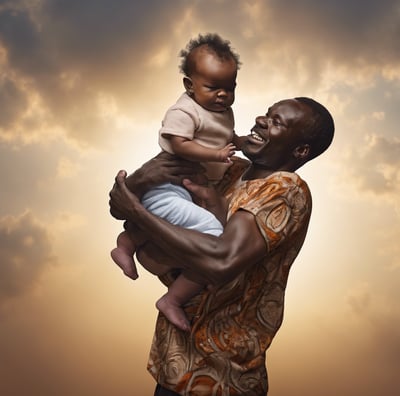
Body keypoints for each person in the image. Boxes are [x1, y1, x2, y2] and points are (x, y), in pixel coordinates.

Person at [109, 96, 335, 395]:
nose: (261, 120)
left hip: (224, 376)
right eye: (267, 113)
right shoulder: (228, 170)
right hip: (176, 365)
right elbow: (121, 205)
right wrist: (138, 181)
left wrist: (138, 213)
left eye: (276, 122)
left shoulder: (285, 190)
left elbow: (220, 263)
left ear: (300, 150)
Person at [110, 33, 246, 332]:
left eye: (229, 88)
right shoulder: (184, 110)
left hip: (182, 188)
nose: (223, 95)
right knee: (213, 234)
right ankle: (171, 299)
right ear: (189, 85)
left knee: (176, 226)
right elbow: (180, 144)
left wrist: (238, 141)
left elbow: (224, 134)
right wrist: (215, 154)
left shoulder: (219, 110)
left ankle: (127, 243)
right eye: (213, 87)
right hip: (167, 186)